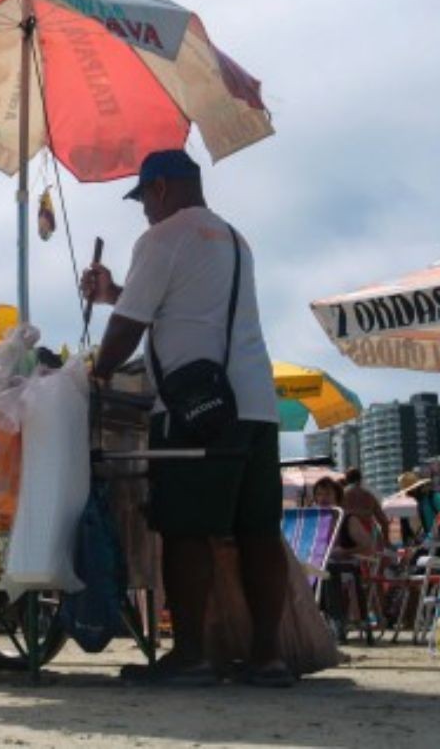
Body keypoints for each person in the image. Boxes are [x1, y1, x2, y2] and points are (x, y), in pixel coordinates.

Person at [81, 149, 290, 686]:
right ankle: (267, 657)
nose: (144, 213)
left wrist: (98, 374)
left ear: (162, 189)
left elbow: (131, 325)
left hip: (195, 411)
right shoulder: (234, 240)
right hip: (257, 406)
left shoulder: (163, 237)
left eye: (144, 200)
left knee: (184, 531)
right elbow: (182, 307)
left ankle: (192, 654)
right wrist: (110, 293)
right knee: (258, 533)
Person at [312, 476, 374, 556]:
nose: (323, 498)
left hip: (342, 566)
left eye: (328, 494)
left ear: (337, 497)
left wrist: (345, 552)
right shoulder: (313, 521)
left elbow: (368, 547)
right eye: (319, 494)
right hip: (316, 565)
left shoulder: (347, 521)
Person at [397, 470, 440, 545]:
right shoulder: (407, 509)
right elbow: (406, 534)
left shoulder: (434, 498)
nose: (408, 494)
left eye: (410, 491)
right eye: (406, 492)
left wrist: (429, 539)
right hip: (422, 548)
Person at [342, 467, 389, 544]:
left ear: (346, 480)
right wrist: (386, 540)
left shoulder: (341, 495)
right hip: (367, 532)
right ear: (360, 479)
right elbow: (383, 521)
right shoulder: (369, 496)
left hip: (347, 534)